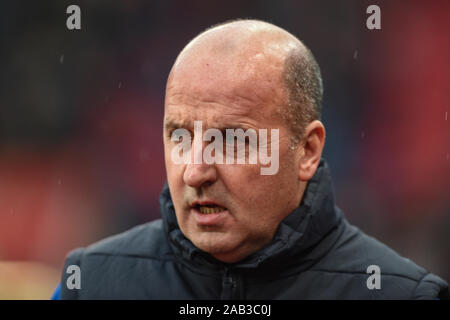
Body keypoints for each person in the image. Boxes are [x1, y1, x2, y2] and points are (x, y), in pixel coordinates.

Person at [55, 19, 449, 299]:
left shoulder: (400, 292)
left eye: (231, 140)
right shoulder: (90, 283)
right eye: (179, 136)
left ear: (307, 150)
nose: (194, 171)